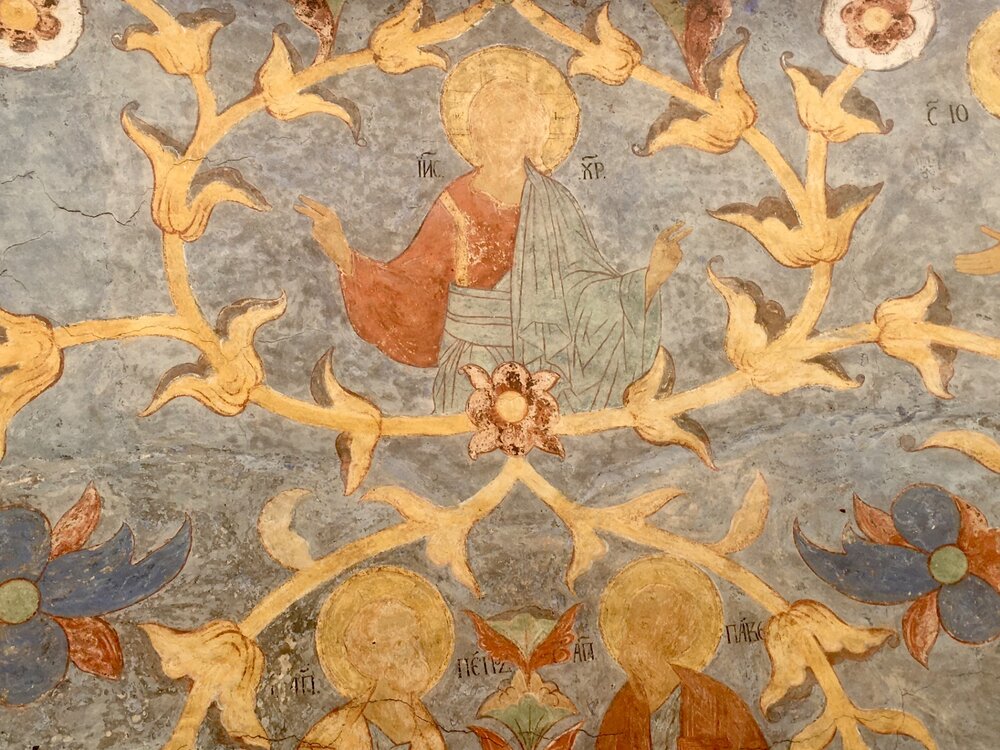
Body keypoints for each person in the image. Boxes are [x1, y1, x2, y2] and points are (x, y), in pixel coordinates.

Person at [296, 45, 689, 413]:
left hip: (545, 362)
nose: (503, 131)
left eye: (513, 122)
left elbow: (585, 292)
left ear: (533, 133)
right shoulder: (455, 201)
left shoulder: (555, 203)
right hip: (471, 362)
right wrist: (344, 254)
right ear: (475, 131)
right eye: (492, 121)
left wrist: (649, 279)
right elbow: (415, 288)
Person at [597, 556, 769, 750]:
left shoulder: (716, 701)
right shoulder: (621, 710)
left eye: (643, 625)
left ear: (671, 634)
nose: (630, 637)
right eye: (629, 624)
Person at [301, 567, 454, 750]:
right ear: (374, 658)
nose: (415, 651)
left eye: (415, 639)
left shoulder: (429, 736)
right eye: (400, 643)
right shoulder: (332, 735)